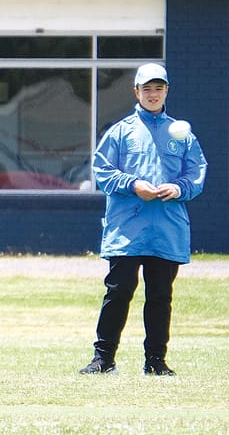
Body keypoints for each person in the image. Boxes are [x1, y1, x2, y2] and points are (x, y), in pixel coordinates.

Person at [79, 62, 207, 376]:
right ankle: (103, 359)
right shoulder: (121, 132)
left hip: (166, 229)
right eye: (146, 89)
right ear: (136, 92)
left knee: (160, 295)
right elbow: (102, 171)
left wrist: (178, 188)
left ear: (166, 91)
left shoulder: (182, 133)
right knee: (119, 291)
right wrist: (133, 185)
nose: (153, 94)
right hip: (127, 228)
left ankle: (156, 362)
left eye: (158, 88)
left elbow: (197, 175)